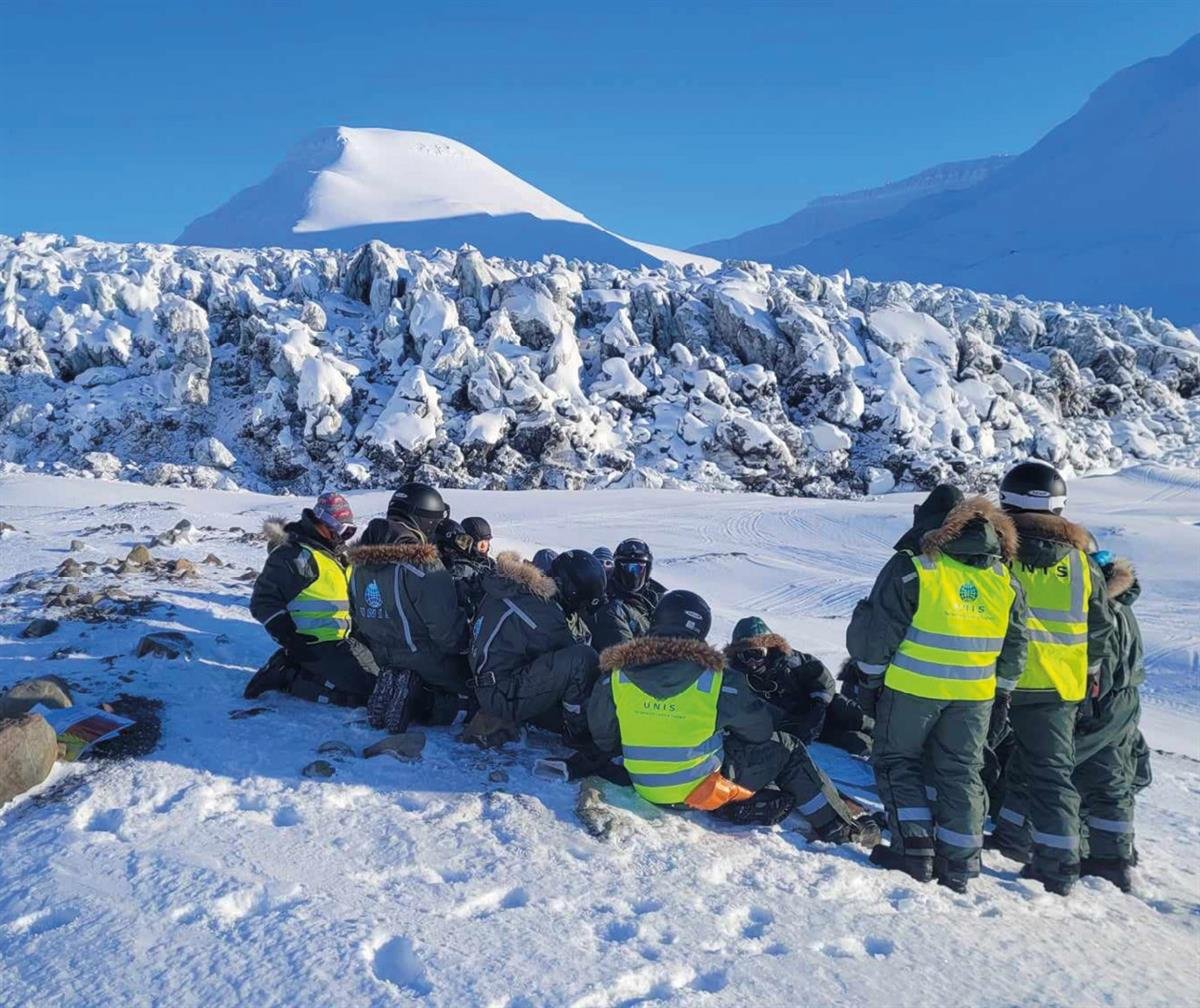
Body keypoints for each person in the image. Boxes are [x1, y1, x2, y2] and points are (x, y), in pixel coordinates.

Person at [847, 485, 1028, 892]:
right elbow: (1016, 643)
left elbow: (877, 634)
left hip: (912, 689)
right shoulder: (1003, 577)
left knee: (896, 762)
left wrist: (870, 680)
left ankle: (914, 850)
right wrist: (1002, 693)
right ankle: (961, 863)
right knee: (962, 772)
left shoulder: (915, 567)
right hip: (975, 697)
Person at [587, 591, 874, 843]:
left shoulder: (617, 675)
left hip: (644, 786)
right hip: (697, 790)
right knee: (788, 748)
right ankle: (840, 830)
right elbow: (759, 732)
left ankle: (742, 802)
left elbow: (603, 736)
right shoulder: (716, 678)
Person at [985, 461, 1118, 895]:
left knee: (970, 763)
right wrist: (1090, 671)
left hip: (996, 681)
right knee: (1047, 771)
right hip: (1057, 687)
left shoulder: (997, 552)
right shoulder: (1083, 564)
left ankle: (1029, 851)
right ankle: (1050, 857)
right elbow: (1099, 626)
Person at [246, 492, 379, 706]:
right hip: (313, 643)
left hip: (344, 639)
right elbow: (263, 602)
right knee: (367, 696)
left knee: (382, 681)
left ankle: (296, 665)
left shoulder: (337, 554)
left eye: (350, 531)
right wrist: (291, 639)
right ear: (324, 523)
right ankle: (288, 677)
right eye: (343, 530)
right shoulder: (295, 556)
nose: (345, 537)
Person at [463, 549, 604, 747]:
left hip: (488, 681)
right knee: (583, 659)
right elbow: (576, 661)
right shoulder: (541, 612)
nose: (579, 609)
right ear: (571, 590)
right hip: (499, 695)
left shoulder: (515, 588)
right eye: (581, 603)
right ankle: (579, 732)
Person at [348, 509, 469, 733]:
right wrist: (468, 647)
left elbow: (356, 614)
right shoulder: (423, 566)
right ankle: (421, 700)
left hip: (382, 655)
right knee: (472, 700)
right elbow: (447, 631)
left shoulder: (359, 566)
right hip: (426, 657)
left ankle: (397, 685)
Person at [1070, 550, 1144, 892]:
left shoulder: (1104, 611)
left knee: (1096, 776)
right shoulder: (1123, 606)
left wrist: (1086, 708)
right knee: (1113, 776)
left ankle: (1107, 859)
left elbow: (1099, 666)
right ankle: (1117, 852)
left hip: (1106, 703)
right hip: (1125, 702)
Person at [726, 617, 837, 746]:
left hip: (810, 710)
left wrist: (819, 706)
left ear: (768, 649)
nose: (752, 661)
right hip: (780, 723)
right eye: (746, 655)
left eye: (757, 654)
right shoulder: (735, 676)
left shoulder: (790, 661)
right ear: (738, 655)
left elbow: (821, 676)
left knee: (843, 708)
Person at [587, 539, 663, 653]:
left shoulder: (655, 596)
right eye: (626, 567)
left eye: (637, 568)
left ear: (647, 570)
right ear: (617, 568)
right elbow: (625, 654)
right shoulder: (609, 605)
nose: (632, 574)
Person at [436, 518, 489, 616]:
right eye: (481, 544)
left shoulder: (487, 563)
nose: (484, 548)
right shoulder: (459, 570)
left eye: (487, 543)